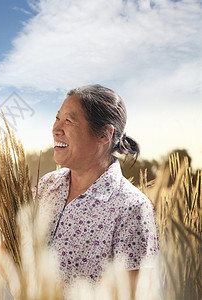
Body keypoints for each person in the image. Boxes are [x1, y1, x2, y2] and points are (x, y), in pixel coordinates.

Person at [35, 84, 160, 290]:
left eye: (69, 121)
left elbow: (129, 293)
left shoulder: (133, 208)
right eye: (57, 118)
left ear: (104, 134)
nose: (56, 129)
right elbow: (10, 252)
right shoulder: (47, 185)